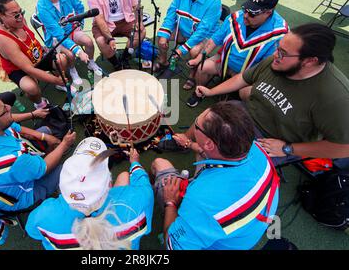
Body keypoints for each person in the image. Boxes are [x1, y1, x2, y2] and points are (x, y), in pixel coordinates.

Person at [196, 23, 349, 165]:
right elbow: (243, 78)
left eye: (283, 53)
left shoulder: (336, 97)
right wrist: (211, 91)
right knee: (206, 126)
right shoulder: (277, 61)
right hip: (246, 114)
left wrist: (287, 149)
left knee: (222, 162)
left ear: (309, 61)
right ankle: (184, 141)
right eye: (278, 48)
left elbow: (344, 148)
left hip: (275, 141)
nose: (275, 55)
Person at [152, 101, 279, 250]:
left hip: (211, 229)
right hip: (245, 227)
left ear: (209, 144)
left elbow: (172, 245)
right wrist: (189, 144)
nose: (195, 126)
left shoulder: (201, 201)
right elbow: (209, 153)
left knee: (159, 164)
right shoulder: (256, 148)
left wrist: (170, 202)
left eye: (196, 125)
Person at [26, 137, 154, 250]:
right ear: (109, 184)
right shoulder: (138, 200)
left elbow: (32, 231)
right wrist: (135, 163)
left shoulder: (44, 214)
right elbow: (143, 185)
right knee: (125, 176)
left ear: (61, 185)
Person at [0, 94, 77, 212]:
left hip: (16, 171)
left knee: (46, 131)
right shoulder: (11, 159)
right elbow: (44, 168)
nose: (9, 107)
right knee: (66, 169)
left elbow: (15, 127)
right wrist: (64, 145)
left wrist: (44, 136)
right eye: (4, 110)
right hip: (24, 196)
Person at [186, 0, 288, 107]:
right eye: (246, 9)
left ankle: (234, 99)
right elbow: (214, 40)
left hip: (249, 73)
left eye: (252, 13)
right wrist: (198, 59)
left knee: (245, 93)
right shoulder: (235, 18)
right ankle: (200, 92)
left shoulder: (279, 33)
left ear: (268, 13)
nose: (245, 15)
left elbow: (265, 68)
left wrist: (242, 76)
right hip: (224, 62)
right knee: (202, 68)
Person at [0, 0, 75, 110]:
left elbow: (29, 39)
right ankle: (39, 103)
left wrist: (41, 47)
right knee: (31, 88)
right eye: (15, 14)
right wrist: (56, 80)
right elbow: (29, 69)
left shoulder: (19, 20)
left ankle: (59, 83)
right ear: (1, 15)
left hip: (36, 56)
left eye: (21, 12)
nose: (20, 17)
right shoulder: (1, 38)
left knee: (62, 59)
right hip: (19, 69)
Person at [37, 0, 103, 85]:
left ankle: (91, 63)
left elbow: (80, 7)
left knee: (88, 42)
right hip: (56, 38)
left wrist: (79, 25)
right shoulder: (42, 8)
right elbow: (59, 34)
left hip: (71, 30)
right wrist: (78, 52)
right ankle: (73, 70)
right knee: (70, 54)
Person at [155, 0, 221, 76]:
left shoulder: (215, 0)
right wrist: (164, 35)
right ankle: (163, 62)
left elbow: (202, 31)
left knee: (194, 50)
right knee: (161, 38)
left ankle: (192, 75)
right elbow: (171, 13)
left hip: (205, 36)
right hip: (185, 30)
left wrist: (182, 49)